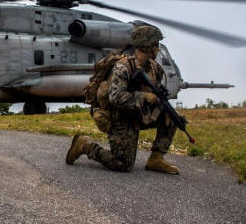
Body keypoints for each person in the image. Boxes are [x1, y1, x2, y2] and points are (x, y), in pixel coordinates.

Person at [66, 25, 182, 174]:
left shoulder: (155, 68)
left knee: (171, 117)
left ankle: (155, 159)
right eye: (155, 44)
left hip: (140, 113)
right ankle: (85, 147)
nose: (158, 48)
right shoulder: (123, 68)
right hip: (120, 118)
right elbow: (116, 98)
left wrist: (165, 108)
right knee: (122, 164)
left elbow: (156, 93)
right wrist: (144, 97)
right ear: (146, 46)